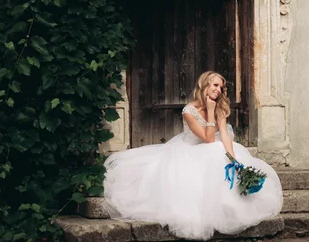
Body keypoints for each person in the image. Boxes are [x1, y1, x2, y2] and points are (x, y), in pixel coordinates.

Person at [103, 71, 283, 240]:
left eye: (220, 87)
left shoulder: (219, 107)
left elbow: (224, 135)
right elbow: (208, 138)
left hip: (213, 149)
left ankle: (228, 206)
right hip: (191, 150)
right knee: (215, 150)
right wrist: (210, 112)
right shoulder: (189, 111)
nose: (218, 90)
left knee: (225, 151)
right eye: (214, 85)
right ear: (204, 85)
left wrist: (234, 159)